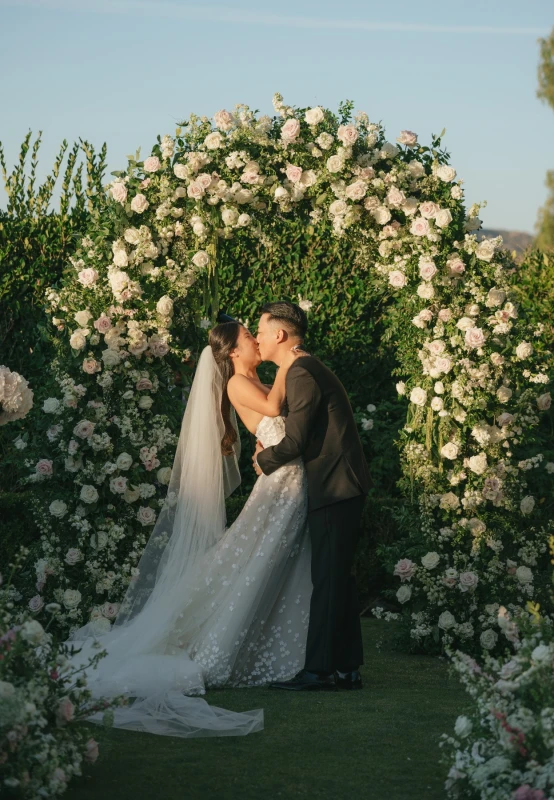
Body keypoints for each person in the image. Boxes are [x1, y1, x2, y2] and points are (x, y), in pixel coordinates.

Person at [66, 319, 311, 738]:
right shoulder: (239, 382)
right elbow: (272, 410)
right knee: (255, 557)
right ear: (233, 351)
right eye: (249, 338)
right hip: (283, 480)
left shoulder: (256, 378)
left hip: (287, 474)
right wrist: (293, 357)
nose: (255, 340)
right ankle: (225, 644)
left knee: (259, 557)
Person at [253, 301, 370, 691]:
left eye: (261, 331)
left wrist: (262, 459)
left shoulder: (301, 372)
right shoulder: (306, 366)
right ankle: (347, 668)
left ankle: (319, 671)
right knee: (339, 578)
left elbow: (296, 440)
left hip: (335, 485)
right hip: (341, 485)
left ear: (280, 335)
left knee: (328, 579)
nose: (257, 338)